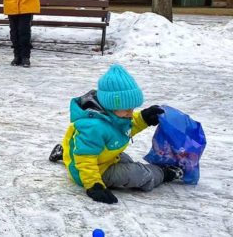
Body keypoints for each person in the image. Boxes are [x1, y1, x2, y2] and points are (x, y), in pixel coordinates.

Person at [52, 64, 184, 204]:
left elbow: (125, 128)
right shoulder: (93, 127)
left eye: (132, 108)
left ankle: (65, 153)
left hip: (104, 158)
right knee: (137, 173)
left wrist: (144, 118)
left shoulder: (115, 116)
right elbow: (85, 158)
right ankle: (163, 173)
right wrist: (94, 185)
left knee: (126, 160)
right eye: (127, 109)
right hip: (92, 171)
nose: (131, 113)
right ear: (111, 105)